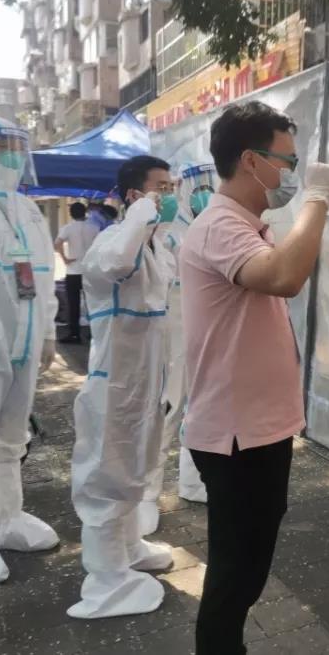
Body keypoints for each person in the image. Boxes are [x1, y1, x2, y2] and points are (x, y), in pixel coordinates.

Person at [179, 101, 329, 654]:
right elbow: (285, 276)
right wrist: (318, 199)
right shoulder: (220, 224)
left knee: (247, 566)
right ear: (251, 160)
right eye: (287, 162)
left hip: (256, 429)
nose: (292, 174)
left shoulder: (248, 225)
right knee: (234, 573)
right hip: (236, 434)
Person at [69, 155, 176, 619]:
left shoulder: (155, 247)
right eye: (160, 189)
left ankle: (129, 548)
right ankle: (106, 578)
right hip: (113, 384)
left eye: (171, 188)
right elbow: (112, 265)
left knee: (136, 465)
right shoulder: (113, 240)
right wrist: (137, 217)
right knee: (106, 475)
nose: (169, 197)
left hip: (145, 383)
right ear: (134, 195)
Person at [139, 164, 212, 536]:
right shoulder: (164, 231)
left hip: (205, 336)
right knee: (166, 412)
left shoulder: (212, 226)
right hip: (171, 337)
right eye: (199, 187)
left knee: (199, 411)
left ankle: (194, 482)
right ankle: (147, 495)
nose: (206, 194)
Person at [55, 202, 99, 344]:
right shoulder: (94, 228)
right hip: (90, 270)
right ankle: (94, 333)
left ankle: (74, 334)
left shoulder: (68, 228)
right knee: (92, 303)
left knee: (73, 304)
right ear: (84, 212)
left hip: (73, 271)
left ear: (71, 214)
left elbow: (57, 243)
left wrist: (65, 258)